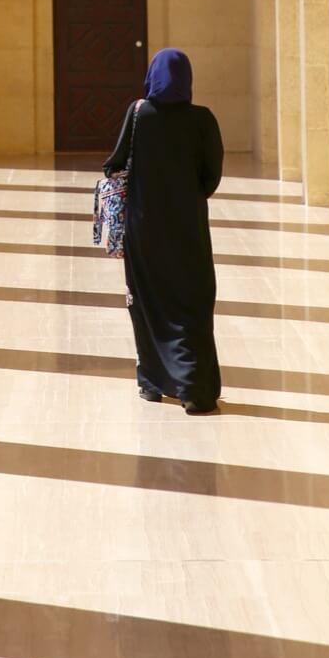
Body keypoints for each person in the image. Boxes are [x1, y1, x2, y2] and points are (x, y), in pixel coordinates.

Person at [102, 47, 224, 414]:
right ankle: (193, 387)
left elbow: (115, 163)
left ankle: (153, 382)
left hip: (145, 228)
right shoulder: (202, 119)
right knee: (191, 301)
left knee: (149, 302)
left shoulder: (140, 114)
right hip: (188, 229)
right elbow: (211, 176)